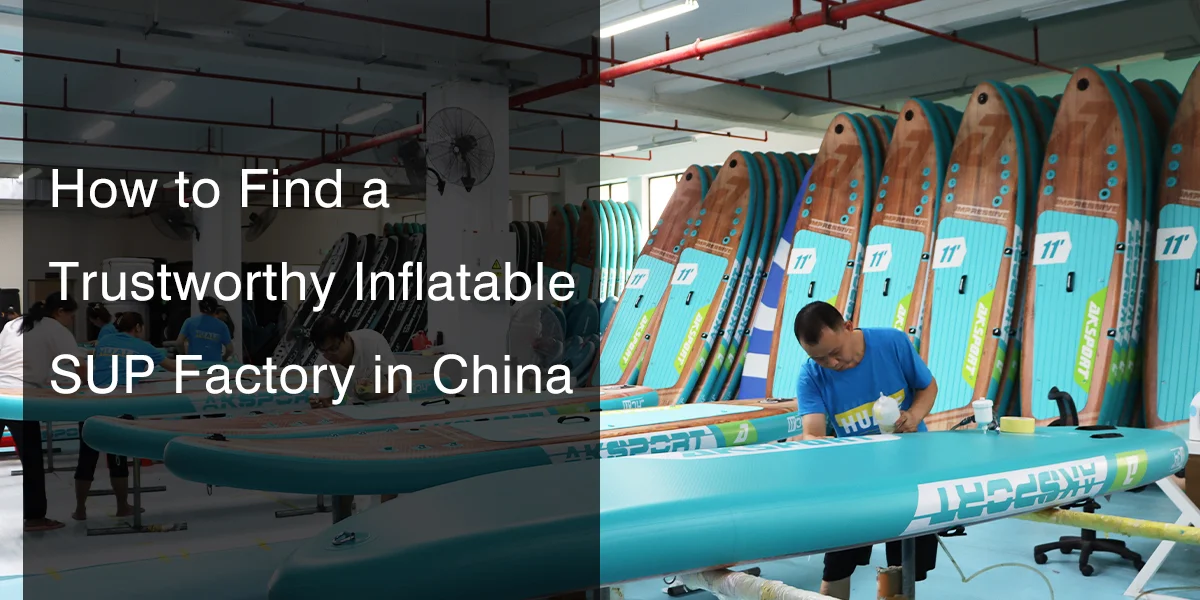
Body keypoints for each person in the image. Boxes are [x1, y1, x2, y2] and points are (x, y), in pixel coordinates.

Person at [792, 301, 939, 600]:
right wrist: (811, 442)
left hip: (909, 473)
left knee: (901, 566)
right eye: (819, 359)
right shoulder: (810, 376)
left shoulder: (892, 343)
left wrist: (915, 415)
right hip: (855, 483)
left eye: (834, 353)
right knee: (836, 568)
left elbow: (928, 387)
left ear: (847, 326)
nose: (831, 364)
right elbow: (813, 431)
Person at [74, 312, 178, 521]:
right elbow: (176, 368)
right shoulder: (144, 347)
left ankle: (80, 510)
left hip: (91, 404)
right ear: (138, 327)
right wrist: (210, 368)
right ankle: (122, 506)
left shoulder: (103, 342)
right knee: (118, 458)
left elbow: (98, 366)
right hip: (120, 406)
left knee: (86, 457)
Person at [0, 294, 88, 532]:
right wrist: (84, 389)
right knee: (30, 459)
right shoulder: (55, 329)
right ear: (60, 311)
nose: (71, 320)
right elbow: (79, 366)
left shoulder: (12, 324)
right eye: (71, 315)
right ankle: (35, 517)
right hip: (20, 398)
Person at [307, 314, 408, 409]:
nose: (329, 355)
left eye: (334, 348)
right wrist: (319, 405)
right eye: (323, 351)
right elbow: (327, 402)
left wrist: (372, 394)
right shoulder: (322, 364)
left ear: (346, 337)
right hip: (358, 409)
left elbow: (396, 383)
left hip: (394, 404)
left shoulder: (372, 341)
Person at [174, 296, 233, 363]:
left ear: (200, 308)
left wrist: (184, 356)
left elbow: (179, 342)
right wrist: (224, 358)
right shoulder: (222, 326)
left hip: (194, 365)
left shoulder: (189, 322)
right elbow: (230, 349)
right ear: (215, 309)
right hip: (215, 365)